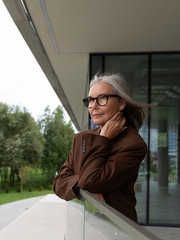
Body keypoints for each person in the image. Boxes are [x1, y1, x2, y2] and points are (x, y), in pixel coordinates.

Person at [53, 73, 153, 223]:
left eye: (102, 98)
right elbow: (59, 183)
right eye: (90, 100)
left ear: (122, 103)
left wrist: (103, 139)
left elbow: (90, 181)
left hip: (117, 227)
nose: (93, 106)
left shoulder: (133, 145)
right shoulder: (82, 138)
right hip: (87, 224)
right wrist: (83, 189)